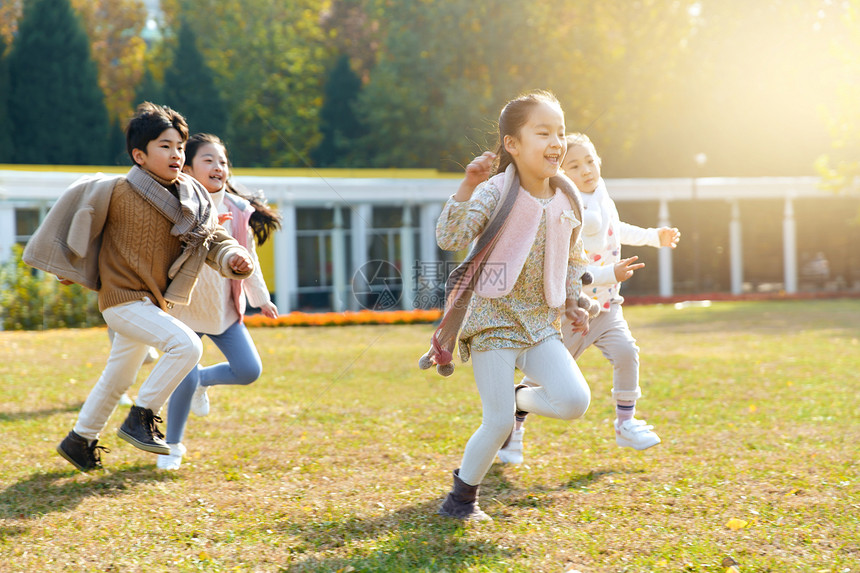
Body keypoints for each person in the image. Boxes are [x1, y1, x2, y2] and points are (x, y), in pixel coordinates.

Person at [23, 102, 255, 472]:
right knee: (187, 345)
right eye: (165, 146)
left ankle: (79, 440)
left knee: (119, 377)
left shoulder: (192, 197)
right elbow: (80, 225)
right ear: (139, 155)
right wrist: (70, 264)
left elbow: (213, 240)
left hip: (153, 305)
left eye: (180, 146)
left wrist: (232, 259)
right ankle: (141, 418)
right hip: (121, 300)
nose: (177, 154)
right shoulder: (115, 191)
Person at [424, 91, 592, 521]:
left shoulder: (567, 197)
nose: (556, 142)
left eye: (560, 132)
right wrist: (468, 186)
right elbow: (450, 237)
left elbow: (573, 257)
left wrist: (575, 299)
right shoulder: (497, 190)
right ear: (512, 145)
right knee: (497, 423)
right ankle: (460, 501)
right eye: (543, 133)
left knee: (574, 401)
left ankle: (523, 399)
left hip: (539, 322)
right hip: (493, 320)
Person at [497, 132, 680, 464]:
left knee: (627, 352)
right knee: (542, 377)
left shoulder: (601, 197)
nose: (586, 170)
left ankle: (626, 423)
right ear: (560, 174)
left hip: (609, 308)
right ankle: (514, 424)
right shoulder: (563, 210)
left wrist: (655, 237)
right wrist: (611, 273)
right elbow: (573, 270)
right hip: (574, 313)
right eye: (574, 166)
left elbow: (615, 228)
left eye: (590, 161)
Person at [158, 133, 281, 470]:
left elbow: (248, 257)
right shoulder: (175, 204)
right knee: (183, 375)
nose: (217, 167)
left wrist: (262, 299)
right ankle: (172, 446)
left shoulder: (239, 210)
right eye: (208, 160)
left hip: (223, 309)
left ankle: (202, 380)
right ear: (190, 167)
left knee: (248, 370)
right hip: (185, 309)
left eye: (222, 162)